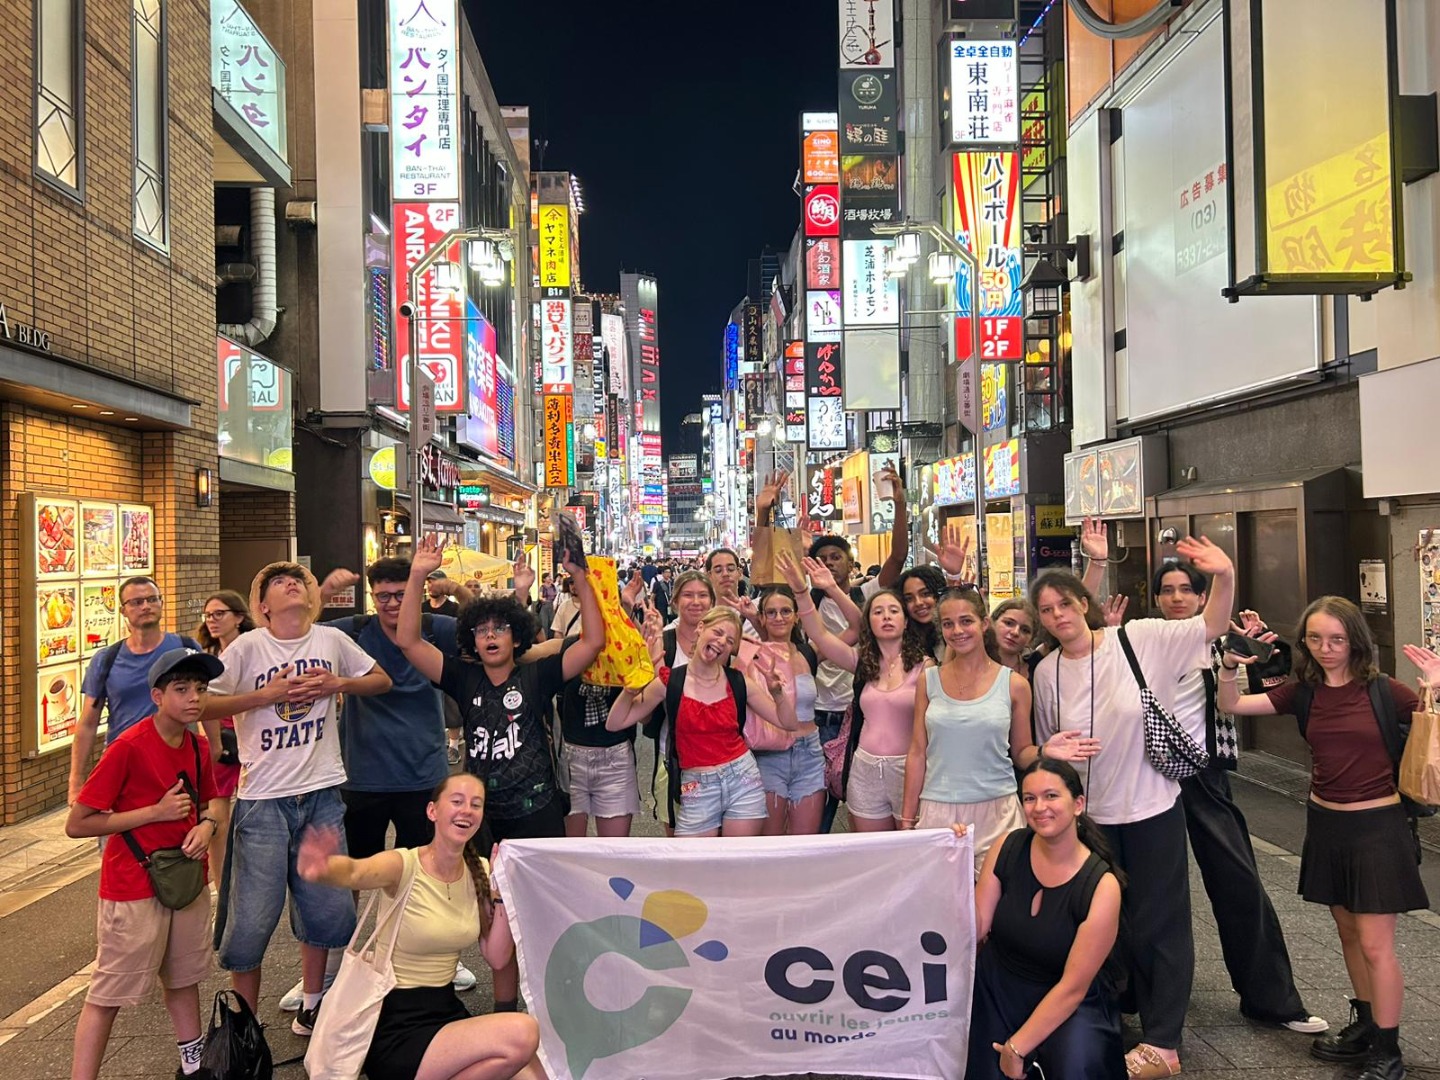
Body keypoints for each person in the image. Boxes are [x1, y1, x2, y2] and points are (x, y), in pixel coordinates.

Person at [1029, 537, 1235, 1079]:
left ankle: (1164, 1041)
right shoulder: (1046, 671)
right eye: (1046, 611)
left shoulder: (1138, 639)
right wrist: (1051, 752)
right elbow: (1047, 742)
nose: (1058, 617)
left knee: (1159, 923)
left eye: (1065, 605)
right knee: (1100, 925)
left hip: (1148, 809)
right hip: (1090, 820)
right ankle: (1111, 1018)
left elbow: (1209, 627)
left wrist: (1225, 575)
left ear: (1084, 602)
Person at [1220, 601, 1439, 1080]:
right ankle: (1365, 1023)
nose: (1326, 649)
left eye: (1336, 639)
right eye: (1315, 639)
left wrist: (1436, 686)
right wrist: (1230, 665)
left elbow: (1428, 726)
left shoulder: (1383, 690)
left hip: (1378, 829)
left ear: (1356, 641)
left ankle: (1389, 1051)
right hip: (1326, 824)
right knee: (1348, 934)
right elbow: (1231, 705)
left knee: (1377, 944)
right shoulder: (1306, 692)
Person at [395, 536, 604, 1013]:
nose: (490, 636)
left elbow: (593, 642)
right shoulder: (462, 678)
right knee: (495, 922)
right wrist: (417, 576)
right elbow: (408, 641)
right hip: (483, 821)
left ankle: (553, 1007)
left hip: (539, 815)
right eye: (482, 630)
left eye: (500, 629)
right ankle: (504, 1009)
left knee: (543, 917)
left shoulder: (538, 676)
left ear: (516, 636)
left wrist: (581, 579)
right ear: (471, 639)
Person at [200, 562, 393, 1028]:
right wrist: (262, 697)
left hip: (323, 792)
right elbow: (202, 701)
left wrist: (338, 683)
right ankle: (243, 1024)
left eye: (298, 581)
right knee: (250, 920)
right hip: (263, 799)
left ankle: (313, 1003)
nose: (292, 585)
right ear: (262, 607)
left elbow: (381, 680)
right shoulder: (248, 647)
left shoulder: (330, 640)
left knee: (323, 909)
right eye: (278, 584)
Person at [289, 555, 480, 1010]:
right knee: (351, 871)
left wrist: (456, 590)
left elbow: (478, 622)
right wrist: (320, 590)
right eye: (384, 596)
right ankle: (337, 961)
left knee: (430, 868)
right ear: (373, 598)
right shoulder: (357, 629)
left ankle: (438, 961)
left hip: (424, 772)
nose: (393, 603)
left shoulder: (433, 625)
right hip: (363, 773)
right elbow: (301, 631)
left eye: (400, 594)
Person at [1147, 558, 1326, 1034]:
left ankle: (1272, 999)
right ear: (1157, 599)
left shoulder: (1225, 643)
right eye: (1167, 590)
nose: (1177, 597)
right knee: (1144, 891)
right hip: (1145, 775)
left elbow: (1269, 687)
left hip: (1205, 774)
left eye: (1187, 589)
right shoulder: (1140, 642)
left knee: (1239, 880)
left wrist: (1263, 650)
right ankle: (1132, 997)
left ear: (1204, 597)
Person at [296, 773, 546, 1080]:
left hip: (444, 1009)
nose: (466, 810)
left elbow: (496, 957)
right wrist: (323, 867)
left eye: (475, 804)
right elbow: (356, 872)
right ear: (432, 811)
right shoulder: (404, 865)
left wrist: (503, 893)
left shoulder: (480, 870)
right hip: (396, 1021)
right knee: (522, 1032)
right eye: (457, 801)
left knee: (535, 1073)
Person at [67, 647, 225, 1080]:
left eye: (200, 689)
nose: (194, 698)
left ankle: (194, 1068)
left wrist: (208, 826)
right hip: (133, 885)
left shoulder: (197, 745)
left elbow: (210, 802)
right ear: (157, 696)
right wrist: (152, 814)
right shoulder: (129, 747)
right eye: (181, 689)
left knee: (184, 977)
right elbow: (78, 823)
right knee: (109, 992)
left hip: (186, 879)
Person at [899, 589, 1091, 874]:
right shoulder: (928, 681)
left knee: (998, 906)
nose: (957, 630)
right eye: (948, 624)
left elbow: (1021, 754)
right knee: (942, 906)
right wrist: (906, 817)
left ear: (984, 623)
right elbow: (917, 752)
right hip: (937, 807)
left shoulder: (1014, 684)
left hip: (998, 810)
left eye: (966, 621)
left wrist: (1044, 752)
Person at [967, 759, 1125, 1080]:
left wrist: (1016, 1048)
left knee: (1077, 1067)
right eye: (1029, 798)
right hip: (998, 987)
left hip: (1067, 1000)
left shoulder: (1101, 886)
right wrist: (953, 860)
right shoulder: (1008, 846)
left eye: (1051, 796)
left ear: (1078, 804)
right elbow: (976, 927)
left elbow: (1072, 987)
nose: (1040, 807)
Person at [611, 608, 797, 837]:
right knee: (695, 866)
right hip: (696, 785)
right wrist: (631, 689)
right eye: (717, 632)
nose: (721, 642)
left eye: (729, 641)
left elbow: (787, 722)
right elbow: (616, 723)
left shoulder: (739, 682)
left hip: (742, 779)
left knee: (736, 861)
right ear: (701, 628)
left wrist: (778, 692)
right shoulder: (670, 681)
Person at [781, 553, 928, 833]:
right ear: (868, 623)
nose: (886, 617)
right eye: (877, 612)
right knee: (871, 853)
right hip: (865, 767)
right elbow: (821, 636)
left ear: (906, 621)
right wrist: (803, 592)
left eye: (894, 611)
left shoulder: (926, 667)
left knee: (907, 852)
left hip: (908, 769)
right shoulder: (862, 662)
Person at [68, 577, 203, 804]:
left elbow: (205, 704)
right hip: (123, 764)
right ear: (123, 610)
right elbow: (88, 723)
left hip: (177, 761)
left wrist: (213, 752)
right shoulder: (106, 660)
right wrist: (75, 783)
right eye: (137, 602)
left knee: (182, 832)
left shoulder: (185, 649)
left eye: (152, 599)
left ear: (161, 603)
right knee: (119, 835)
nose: (146, 606)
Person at [725, 584, 824, 835]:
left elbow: (855, 632)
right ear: (762, 618)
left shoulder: (808, 652)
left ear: (796, 616)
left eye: (785, 611)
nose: (779, 617)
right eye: (771, 612)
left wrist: (824, 588)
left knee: (805, 844)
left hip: (810, 753)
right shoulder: (751, 653)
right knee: (771, 842)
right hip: (769, 752)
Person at [195, 591, 257, 885]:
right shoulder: (204, 658)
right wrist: (213, 743)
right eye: (208, 615)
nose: (212, 621)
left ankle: (249, 878)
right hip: (218, 739)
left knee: (254, 815)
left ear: (239, 618)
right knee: (217, 815)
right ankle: (222, 885)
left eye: (219, 614)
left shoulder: (257, 651)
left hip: (254, 737)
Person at [557, 671, 639, 838]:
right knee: (569, 854)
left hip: (615, 759)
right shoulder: (569, 649)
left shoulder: (629, 649)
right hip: (570, 758)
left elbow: (647, 714)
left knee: (613, 853)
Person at [897, 565, 950, 662]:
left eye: (925, 594)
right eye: (909, 599)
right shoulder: (901, 642)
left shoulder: (955, 632)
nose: (918, 603)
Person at [991, 599, 1040, 676]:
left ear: (1031, 639)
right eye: (1008, 623)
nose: (1015, 632)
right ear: (993, 622)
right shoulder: (972, 664)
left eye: (1025, 630)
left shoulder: (1036, 670)